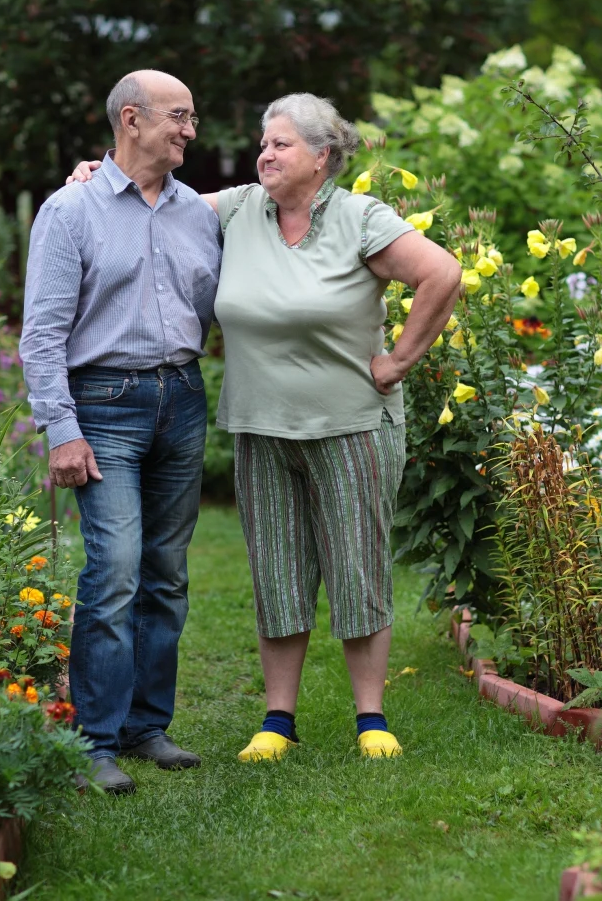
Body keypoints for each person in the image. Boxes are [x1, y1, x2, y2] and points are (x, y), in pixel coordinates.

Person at [68, 92, 460, 763]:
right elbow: (150, 196)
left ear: (323, 157)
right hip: (261, 426)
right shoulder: (241, 208)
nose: (265, 153)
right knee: (277, 572)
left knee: (356, 567)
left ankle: (371, 718)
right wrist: (93, 175)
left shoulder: (361, 217)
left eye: (280, 144)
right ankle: (278, 721)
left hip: (352, 425)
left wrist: (397, 362)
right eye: (264, 142)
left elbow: (442, 273)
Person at [20, 70, 222, 796]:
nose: (190, 131)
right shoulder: (70, 212)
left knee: (166, 574)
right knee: (113, 573)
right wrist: (60, 429)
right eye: (179, 117)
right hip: (103, 404)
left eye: (192, 118)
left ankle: (145, 727)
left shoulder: (197, 212)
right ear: (130, 119)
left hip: (182, 398)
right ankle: (94, 740)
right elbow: (41, 334)